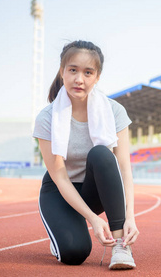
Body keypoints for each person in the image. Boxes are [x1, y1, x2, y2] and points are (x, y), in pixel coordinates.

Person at [33, 40, 139, 269]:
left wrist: (130, 216)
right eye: (73, 70)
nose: (79, 79)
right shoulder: (47, 118)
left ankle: (121, 245)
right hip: (60, 191)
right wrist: (92, 219)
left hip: (95, 188)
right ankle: (63, 233)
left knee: (101, 154)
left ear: (97, 77)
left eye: (87, 72)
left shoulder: (114, 111)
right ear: (62, 72)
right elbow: (60, 176)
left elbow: (123, 169)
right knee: (74, 253)